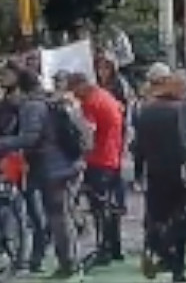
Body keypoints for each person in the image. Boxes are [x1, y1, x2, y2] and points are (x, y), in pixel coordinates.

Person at [0, 66, 81, 278]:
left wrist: (1, 143)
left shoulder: (31, 107)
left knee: (56, 216)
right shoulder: (45, 102)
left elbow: (30, 138)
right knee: (56, 215)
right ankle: (61, 259)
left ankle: (67, 263)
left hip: (49, 167)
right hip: (58, 164)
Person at [133, 68, 186, 282]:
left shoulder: (146, 111)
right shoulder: (182, 111)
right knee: (181, 219)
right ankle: (177, 266)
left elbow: (138, 147)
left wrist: (138, 172)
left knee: (156, 217)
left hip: (155, 172)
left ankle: (158, 250)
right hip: (179, 172)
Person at [68, 71, 125, 264]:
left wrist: (82, 154)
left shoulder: (90, 103)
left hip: (99, 160)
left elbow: (88, 134)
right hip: (113, 157)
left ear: (81, 85)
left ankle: (104, 249)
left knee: (99, 207)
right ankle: (115, 247)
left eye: (74, 89)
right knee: (110, 205)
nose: (73, 94)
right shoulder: (105, 95)